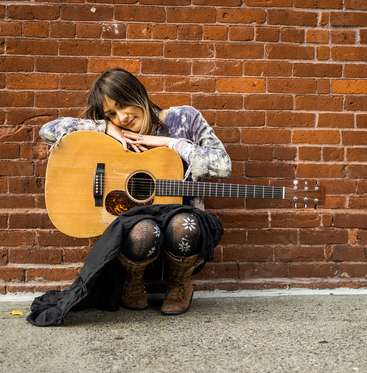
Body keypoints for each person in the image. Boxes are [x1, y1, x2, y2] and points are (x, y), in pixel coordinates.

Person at [38, 68, 231, 317]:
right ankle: (132, 281)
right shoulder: (112, 133)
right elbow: (47, 131)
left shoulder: (185, 118)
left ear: (137, 92)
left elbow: (223, 165)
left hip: (183, 233)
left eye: (122, 105)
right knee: (143, 226)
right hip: (136, 240)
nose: (122, 117)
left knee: (184, 222)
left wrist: (171, 144)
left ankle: (179, 283)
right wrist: (103, 127)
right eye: (112, 114)